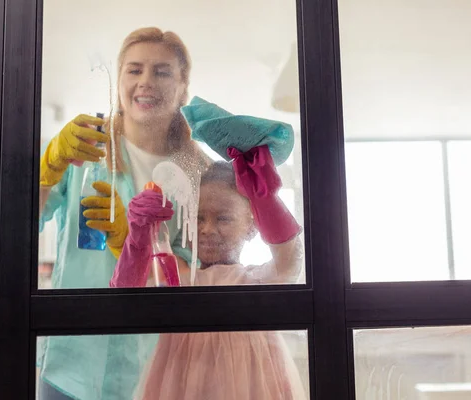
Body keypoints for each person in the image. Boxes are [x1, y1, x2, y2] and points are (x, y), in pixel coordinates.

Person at [37, 27, 209, 399]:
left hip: (153, 369)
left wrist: (131, 245)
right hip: (71, 364)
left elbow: (197, 278)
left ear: (183, 88)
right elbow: (14, 223)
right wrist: (46, 171)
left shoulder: (198, 172)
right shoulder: (83, 147)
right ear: (119, 82)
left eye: (162, 72)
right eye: (134, 70)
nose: (145, 82)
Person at [110, 145, 305, 399]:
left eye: (223, 218)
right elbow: (124, 297)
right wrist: (138, 238)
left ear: (252, 226)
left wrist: (266, 201)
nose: (207, 229)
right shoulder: (175, 274)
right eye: (198, 218)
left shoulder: (255, 281)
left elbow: (290, 261)